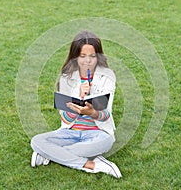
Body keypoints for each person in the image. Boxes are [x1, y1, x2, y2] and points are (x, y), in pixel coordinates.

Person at [30, 30, 121, 178]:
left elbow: (105, 116)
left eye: (92, 56)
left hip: (97, 133)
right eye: (82, 56)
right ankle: (92, 163)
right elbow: (65, 119)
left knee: (106, 142)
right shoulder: (66, 78)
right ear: (75, 57)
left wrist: (91, 113)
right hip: (69, 132)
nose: (88, 61)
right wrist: (77, 96)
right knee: (37, 141)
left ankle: (50, 154)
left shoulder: (107, 76)